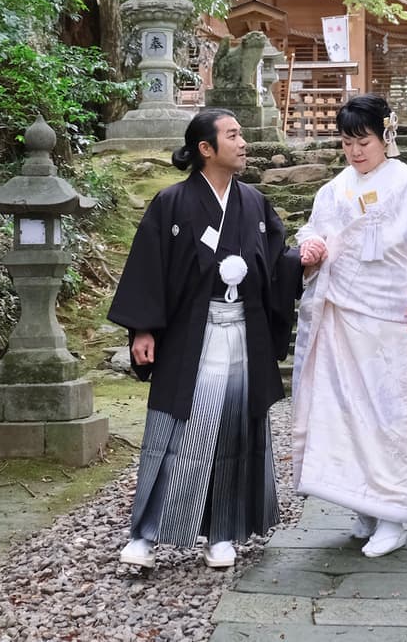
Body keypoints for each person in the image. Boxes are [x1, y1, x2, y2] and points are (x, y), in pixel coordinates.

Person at [107, 109, 304, 569]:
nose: (242, 142)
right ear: (205, 149)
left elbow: (277, 264)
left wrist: (304, 260)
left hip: (241, 333)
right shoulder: (171, 203)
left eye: (240, 134)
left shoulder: (254, 202)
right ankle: (146, 534)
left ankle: (222, 531)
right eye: (232, 136)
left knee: (234, 430)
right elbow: (148, 268)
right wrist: (142, 328)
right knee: (173, 432)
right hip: (189, 336)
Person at [292, 94, 407, 558]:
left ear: (384, 136)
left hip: (395, 319)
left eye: (364, 141)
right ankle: (363, 505)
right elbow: (313, 233)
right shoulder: (333, 190)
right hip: (342, 315)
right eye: (347, 142)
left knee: (391, 415)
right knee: (343, 413)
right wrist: (310, 249)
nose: (355, 152)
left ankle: (395, 512)